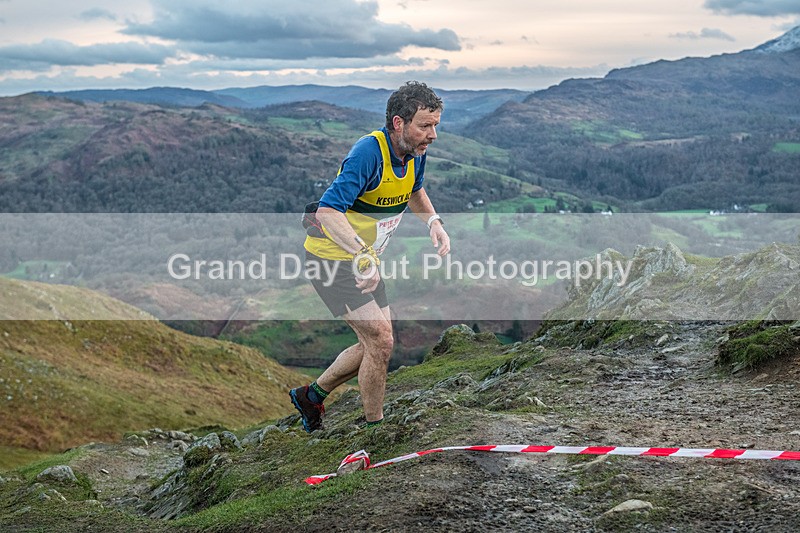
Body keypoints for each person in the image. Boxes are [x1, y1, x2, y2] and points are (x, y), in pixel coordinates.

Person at [289, 81, 450, 432]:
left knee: (375, 343)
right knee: (381, 341)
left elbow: (415, 190)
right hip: (332, 261)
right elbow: (328, 212)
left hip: (364, 262)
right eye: (425, 125)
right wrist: (363, 256)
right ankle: (375, 429)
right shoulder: (368, 153)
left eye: (435, 125)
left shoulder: (414, 152)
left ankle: (311, 396)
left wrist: (433, 222)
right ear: (398, 123)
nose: (432, 135)